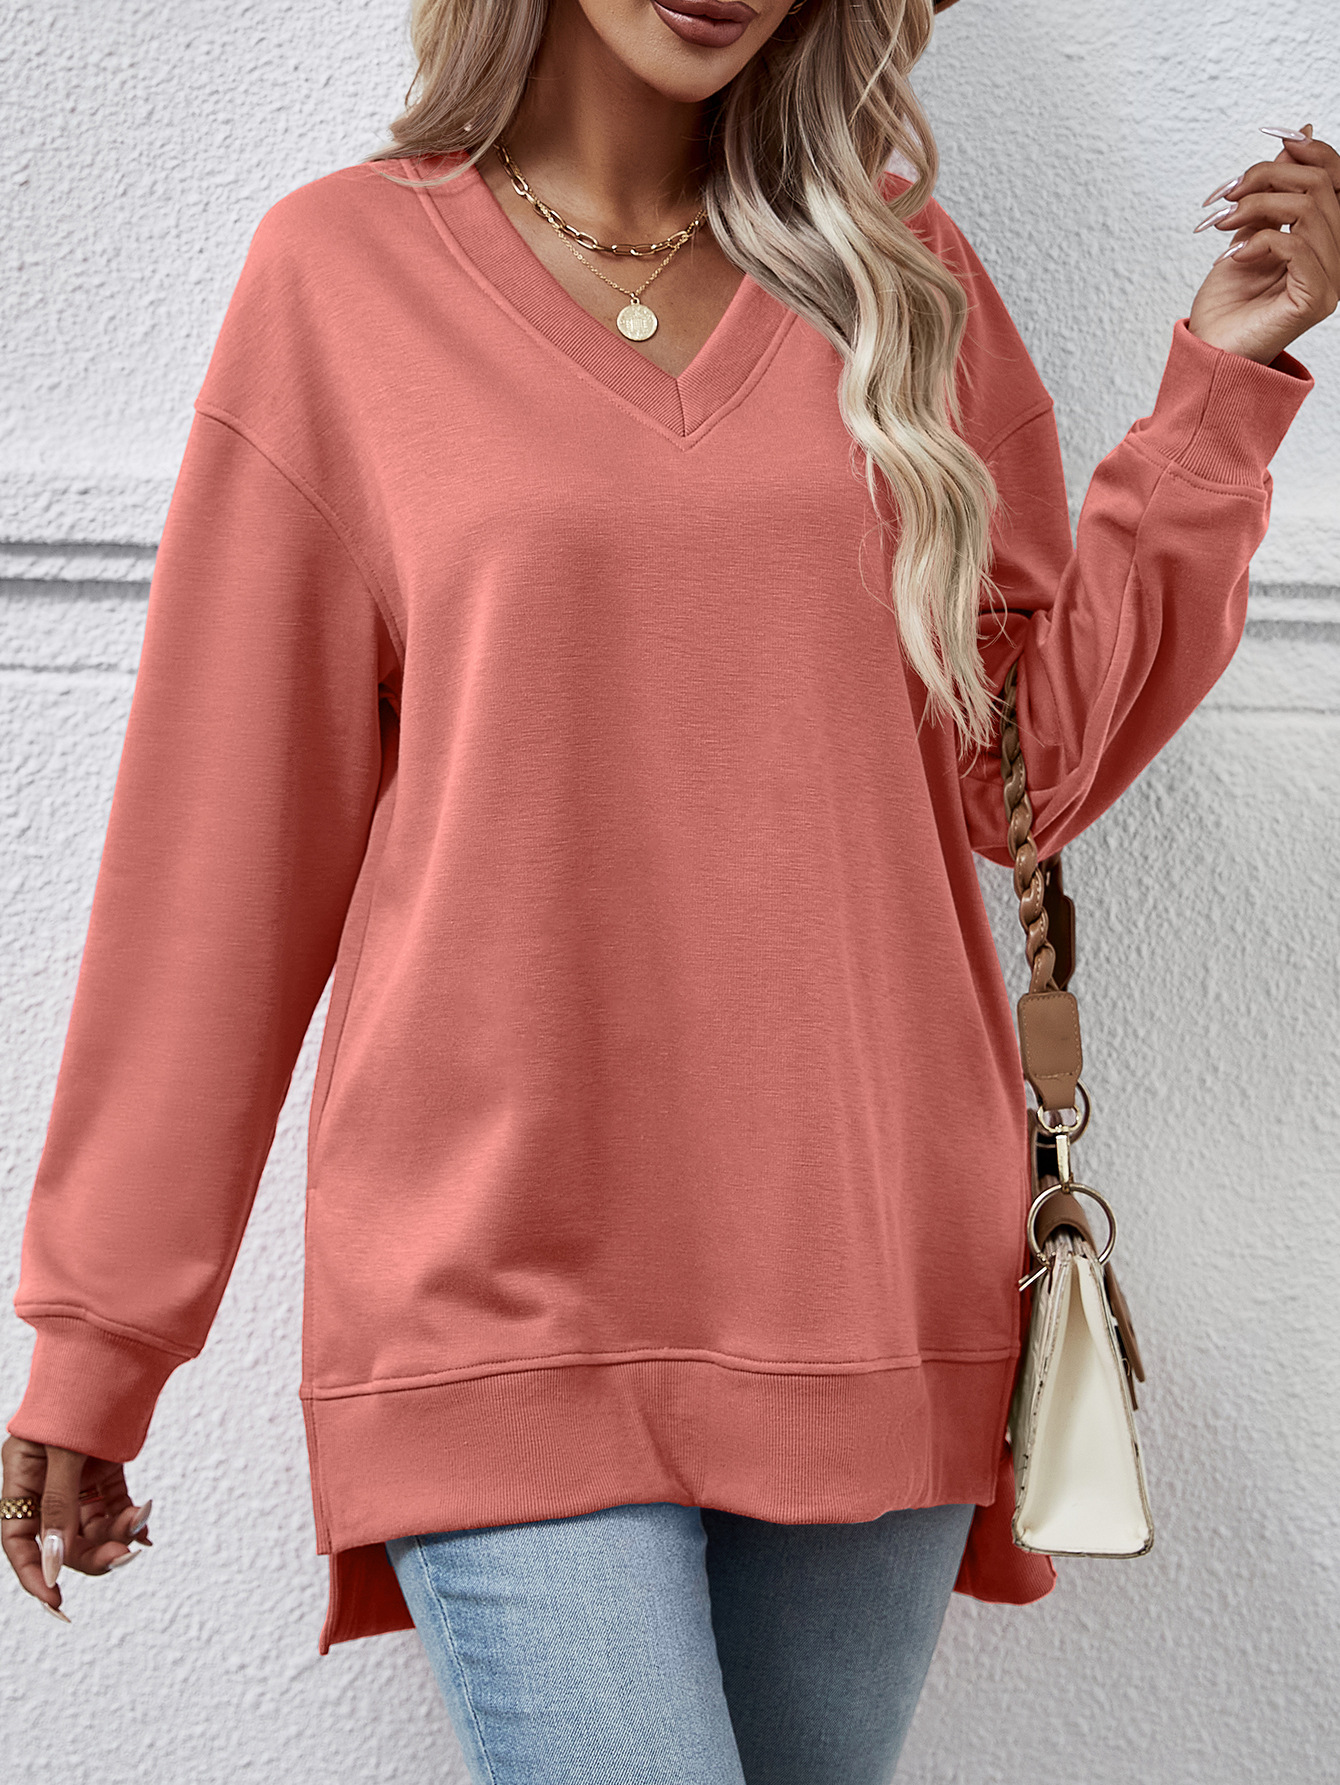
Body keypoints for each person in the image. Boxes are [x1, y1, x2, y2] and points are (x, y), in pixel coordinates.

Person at [3, 0, 1334, 1778]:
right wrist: (102, 1337)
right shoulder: (339, 276)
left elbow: (1026, 761)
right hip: (493, 1285)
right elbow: (221, 848)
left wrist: (1222, 392)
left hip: (868, 1271)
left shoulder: (901, 275)